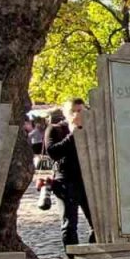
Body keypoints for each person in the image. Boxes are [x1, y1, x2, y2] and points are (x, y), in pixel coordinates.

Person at [45, 98, 95, 247]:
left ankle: (93, 253)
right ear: (67, 113)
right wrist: (73, 134)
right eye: (74, 111)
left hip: (88, 180)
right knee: (69, 224)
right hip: (66, 182)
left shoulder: (92, 129)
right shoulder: (56, 129)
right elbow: (53, 152)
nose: (78, 114)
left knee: (98, 223)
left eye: (81, 111)